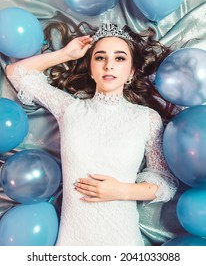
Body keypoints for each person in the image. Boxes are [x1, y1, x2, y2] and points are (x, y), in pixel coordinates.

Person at [6, 21, 178, 246]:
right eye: (100, 57)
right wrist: (66, 54)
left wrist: (121, 190)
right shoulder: (69, 109)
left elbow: (165, 182)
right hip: (72, 244)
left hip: (123, 242)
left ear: (131, 71)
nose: (109, 65)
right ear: (91, 67)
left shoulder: (146, 118)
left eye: (119, 58)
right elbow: (16, 73)